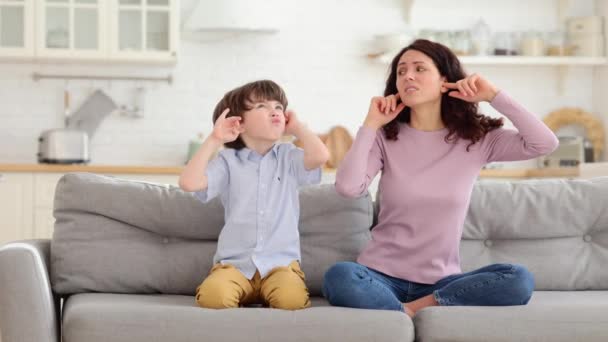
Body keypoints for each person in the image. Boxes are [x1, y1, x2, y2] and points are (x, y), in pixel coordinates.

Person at [322, 39, 559, 317]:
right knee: (340, 276)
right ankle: (414, 312)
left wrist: (493, 95)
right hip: (380, 276)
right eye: (401, 71)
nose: (408, 76)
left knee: (518, 278)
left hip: (441, 283)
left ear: (445, 80)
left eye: (419, 69)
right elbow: (348, 188)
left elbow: (544, 144)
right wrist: (371, 125)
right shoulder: (385, 138)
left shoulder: (477, 139)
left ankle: (409, 311)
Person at [179, 80, 330, 310]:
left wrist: (298, 128)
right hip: (235, 267)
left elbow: (321, 156)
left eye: (279, 107)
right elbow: (189, 183)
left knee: (291, 300)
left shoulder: (288, 156)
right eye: (262, 106)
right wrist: (215, 139)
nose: (275, 111)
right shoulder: (228, 162)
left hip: (281, 266)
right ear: (239, 122)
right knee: (214, 297)